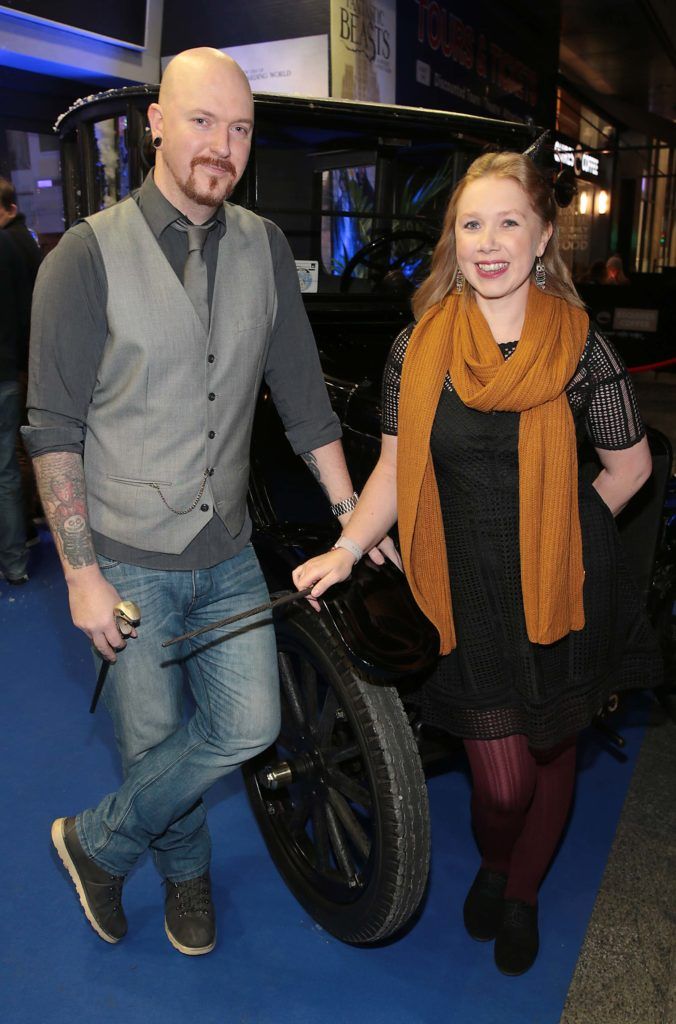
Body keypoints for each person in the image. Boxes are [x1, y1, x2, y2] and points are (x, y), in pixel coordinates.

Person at [24, 48, 386, 957]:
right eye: (200, 121)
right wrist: (78, 576)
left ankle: (96, 841)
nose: (220, 146)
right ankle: (187, 881)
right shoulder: (84, 257)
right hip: (125, 560)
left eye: (239, 128)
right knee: (152, 750)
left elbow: (303, 397)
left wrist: (350, 514)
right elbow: (53, 427)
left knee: (251, 723)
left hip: (228, 550)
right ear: (154, 122)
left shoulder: (265, 247)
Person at [292, 151, 662, 975]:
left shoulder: (579, 348)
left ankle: (522, 890)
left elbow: (631, 467)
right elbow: (394, 468)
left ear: (540, 242)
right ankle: (498, 859)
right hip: (460, 593)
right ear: (452, 240)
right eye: (471, 224)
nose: (488, 243)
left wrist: (567, 527)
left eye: (508, 223)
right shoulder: (417, 346)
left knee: (554, 748)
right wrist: (348, 547)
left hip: (562, 585)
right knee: (502, 784)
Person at [0, 177, 41, 584]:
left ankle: (16, 550)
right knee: (14, 463)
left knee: (11, 465)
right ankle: (20, 546)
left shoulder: (6, 244)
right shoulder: (27, 242)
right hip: (22, 363)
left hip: (10, 367)